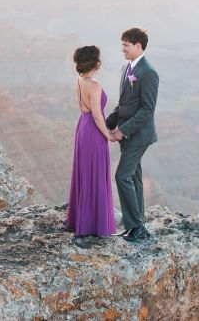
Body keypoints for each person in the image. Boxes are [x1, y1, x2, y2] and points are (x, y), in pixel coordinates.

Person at [107, 27, 159, 242]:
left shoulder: (148, 72)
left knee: (122, 176)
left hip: (139, 135)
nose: (123, 50)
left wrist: (122, 130)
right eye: (122, 46)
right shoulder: (125, 68)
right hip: (127, 134)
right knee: (135, 178)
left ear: (138, 46)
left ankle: (135, 226)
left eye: (126, 46)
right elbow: (123, 105)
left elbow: (147, 109)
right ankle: (138, 225)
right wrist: (105, 123)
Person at [65, 45, 117, 243]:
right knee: (94, 173)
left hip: (82, 127)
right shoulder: (94, 84)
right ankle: (94, 224)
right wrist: (108, 135)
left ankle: (83, 219)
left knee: (85, 173)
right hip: (93, 131)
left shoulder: (80, 80)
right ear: (96, 63)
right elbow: (97, 114)